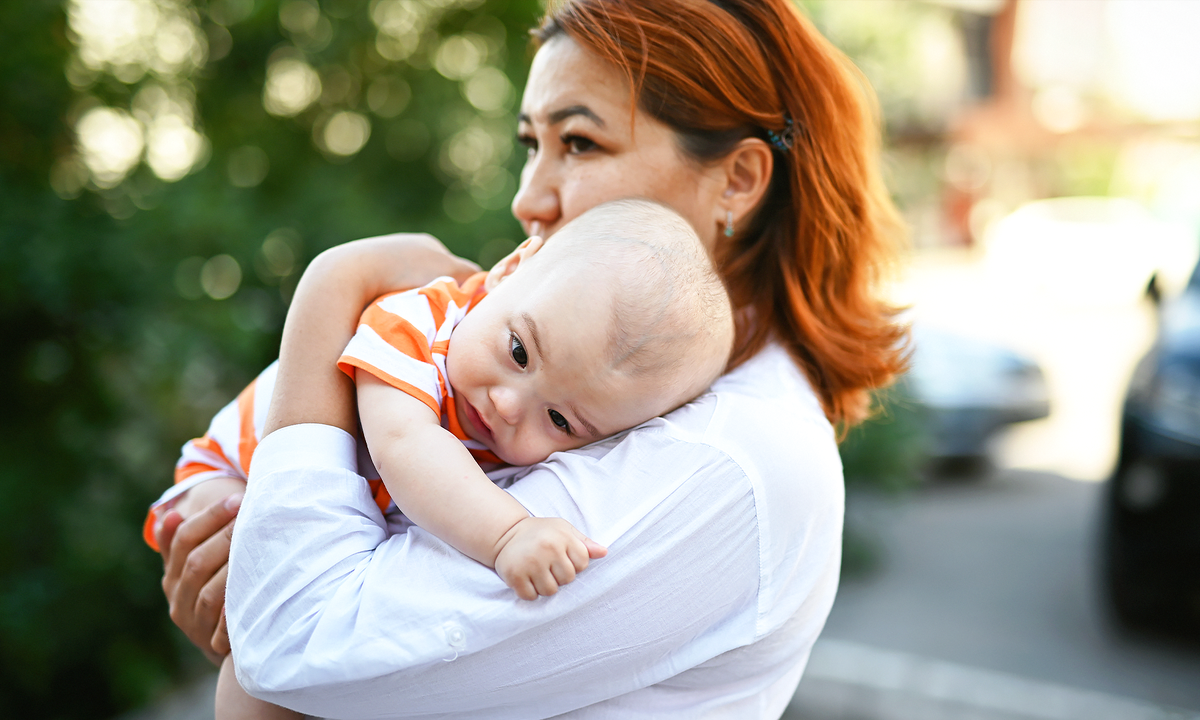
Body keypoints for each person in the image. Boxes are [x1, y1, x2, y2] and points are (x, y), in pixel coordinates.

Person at [155, 1, 909, 717]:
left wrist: (334, 283)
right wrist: (235, 534)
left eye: (579, 142)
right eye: (531, 144)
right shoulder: (536, 352)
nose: (527, 200)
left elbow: (294, 636)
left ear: (737, 180)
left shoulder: (722, 455)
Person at [174, 199, 732, 720]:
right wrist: (509, 533)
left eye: (561, 421)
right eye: (519, 352)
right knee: (254, 660)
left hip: (364, 498)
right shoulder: (417, 320)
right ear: (509, 271)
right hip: (229, 471)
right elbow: (404, 444)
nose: (509, 405)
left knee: (297, 674)